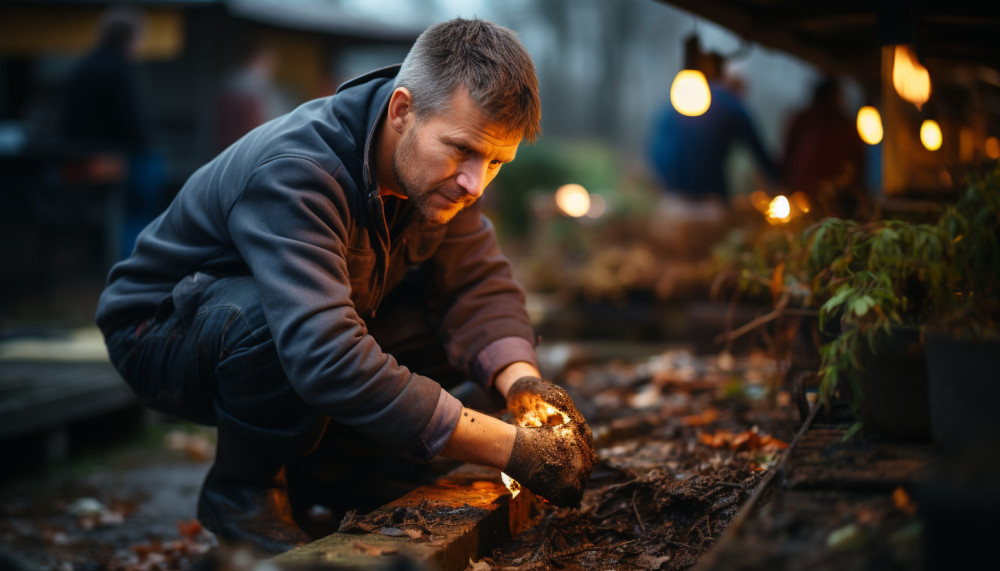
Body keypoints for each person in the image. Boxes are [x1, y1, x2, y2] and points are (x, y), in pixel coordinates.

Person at [95, 18, 594, 555]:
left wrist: (522, 384)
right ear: (402, 111)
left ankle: (336, 475)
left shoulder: (437, 178)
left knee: (450, 337)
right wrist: (512, 448)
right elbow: (324, 353)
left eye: (496, 161)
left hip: (291, 331)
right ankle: (243, 493)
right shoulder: (299, 172)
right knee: (275, 325)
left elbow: (478, 285)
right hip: (162, 331)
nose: (474, 182)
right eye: (463, 149)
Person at [58, 4, 167, 261]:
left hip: (77, 157)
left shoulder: (82, 66)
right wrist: (151, 144)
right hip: (114, 158)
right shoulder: (120, 69)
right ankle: (138, 259)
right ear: (131, 38)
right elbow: (132, 123)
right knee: (149, 185)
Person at [646, 52, 781, 201]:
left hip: (673, 191)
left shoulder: (678, 99)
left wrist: (663, 177)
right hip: (711, 193)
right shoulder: (732, 106)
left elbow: (656, 145)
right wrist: (780, 178)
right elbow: (757, 150)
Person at [781, 76, 867, 216]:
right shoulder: (845, 124)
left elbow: (787, 155)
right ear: (834, 97)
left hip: (802, 193)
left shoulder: (801, 119)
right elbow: (859, 162)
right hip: (834, 196)